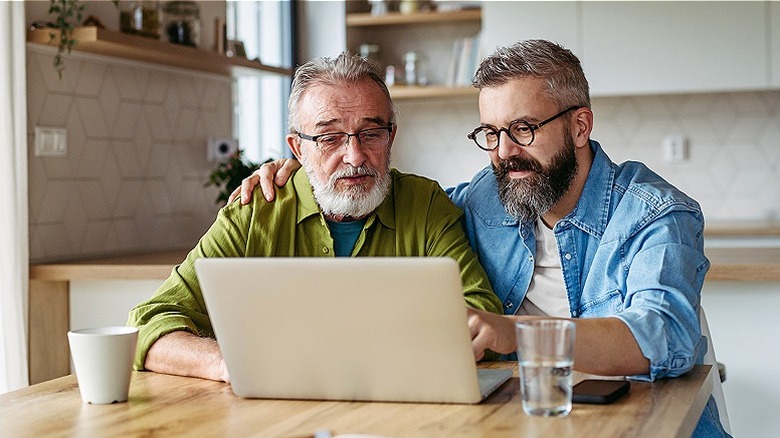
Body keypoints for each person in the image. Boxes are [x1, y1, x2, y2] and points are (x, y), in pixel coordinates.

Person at [233, 40, 729, 436]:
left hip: (651, 424)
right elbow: (387, 198)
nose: (503, 153)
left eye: (523, 128)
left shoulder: (656, 213)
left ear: (580, 127)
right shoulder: (483, 198)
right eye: (490, 133)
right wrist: (304, 169)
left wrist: (516, 333)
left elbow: (665, 335)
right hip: (521, 422)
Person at [127, 52, 503, 383]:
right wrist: (228, 364)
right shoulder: (257, 209)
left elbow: (482, 314)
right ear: (297, 148)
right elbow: (149, 321)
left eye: (370, 133)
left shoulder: (424, 204)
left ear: (392, 136)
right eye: (329, 138)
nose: (355, 157)